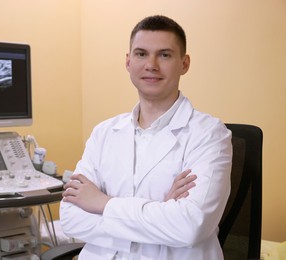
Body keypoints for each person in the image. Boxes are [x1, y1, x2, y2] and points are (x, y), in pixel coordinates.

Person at [60, 15, 232, 259]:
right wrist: (161, 210)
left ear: (184, 64)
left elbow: (190, 226)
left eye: (164, 55)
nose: (151, 64)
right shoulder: (104, 133)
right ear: (128, 62)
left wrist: (102, 203)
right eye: (141, 54)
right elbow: (70, 218)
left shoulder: (210, 134)